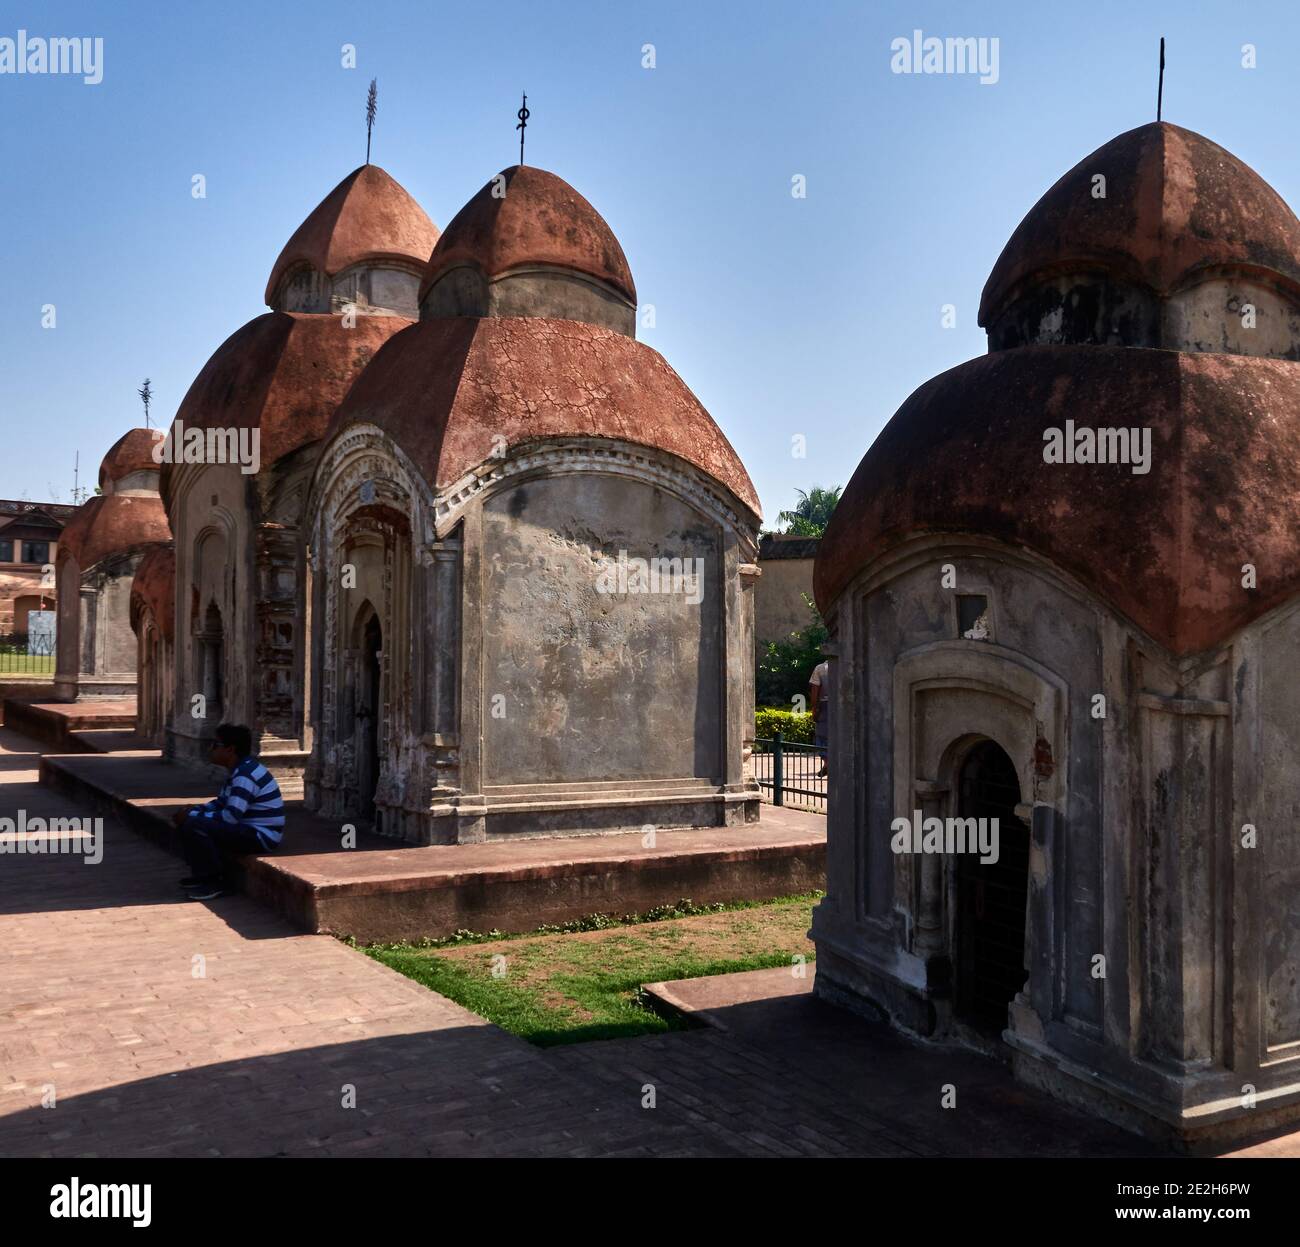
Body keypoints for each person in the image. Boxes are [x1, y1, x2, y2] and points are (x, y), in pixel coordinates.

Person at [171, 723, 284, 900]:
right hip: (247, 829)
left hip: (260, 836)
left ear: (230, 749)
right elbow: (221, 803)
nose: (211, 749)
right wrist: (193, 810)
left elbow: (230, 817)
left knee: (194, 825)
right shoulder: (239, 770)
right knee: (188, 821)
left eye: (215, 745)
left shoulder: (245, 775)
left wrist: (192, 816)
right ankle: (203, 876)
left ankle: (215, 882)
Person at [808, 657, 831, 778]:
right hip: (843, 706)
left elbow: (815, 690)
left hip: (824, 707)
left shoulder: (821, 669)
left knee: (822, 737)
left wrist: (814, 709)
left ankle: (828, 763)